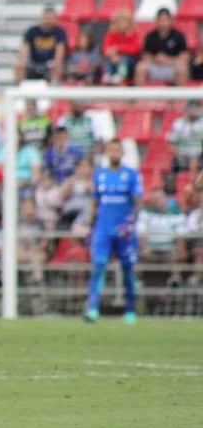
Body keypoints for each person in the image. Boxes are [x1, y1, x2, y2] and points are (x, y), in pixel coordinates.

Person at [84, 138, 142, 324]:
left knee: (127, 269)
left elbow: (138, 201)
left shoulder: (131, 175)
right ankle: (92, 309)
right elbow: (95, 203)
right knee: (98, 267)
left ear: (122, 153)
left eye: (118, 150)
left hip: (124, 231)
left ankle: (130, 311)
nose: (114, 153)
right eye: (111, 150)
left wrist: (131, 221)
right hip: (103, 229)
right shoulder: (99, 175)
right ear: (107, 153)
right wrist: (91, 226)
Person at [136, 8, 189, 86]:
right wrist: (156, 59)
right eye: (160, 20)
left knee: (182, 68)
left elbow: (184, 56)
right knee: (141, 67)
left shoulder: (179, 36)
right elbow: (145, 55)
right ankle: (139, 96)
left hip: (172, 66)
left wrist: (169, 60)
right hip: (154, 66)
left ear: (171, 21)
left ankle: (180, 97)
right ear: (156, 21)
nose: (163, 23)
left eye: (165, 20)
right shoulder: (150, 36)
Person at [16, 5, 67, 83]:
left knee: (58, 66)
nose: (48, 22)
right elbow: (24, 47)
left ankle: (55, 91)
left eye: (51, 19)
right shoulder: (32, 31)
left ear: (55, 19)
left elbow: (60, 51)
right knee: (19, 65)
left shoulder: (59, 32)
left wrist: (56, 62)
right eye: (46, 19)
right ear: (42, 18)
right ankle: (20, 91)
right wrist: (22, 59)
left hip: (50, 65)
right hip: (34, 63)